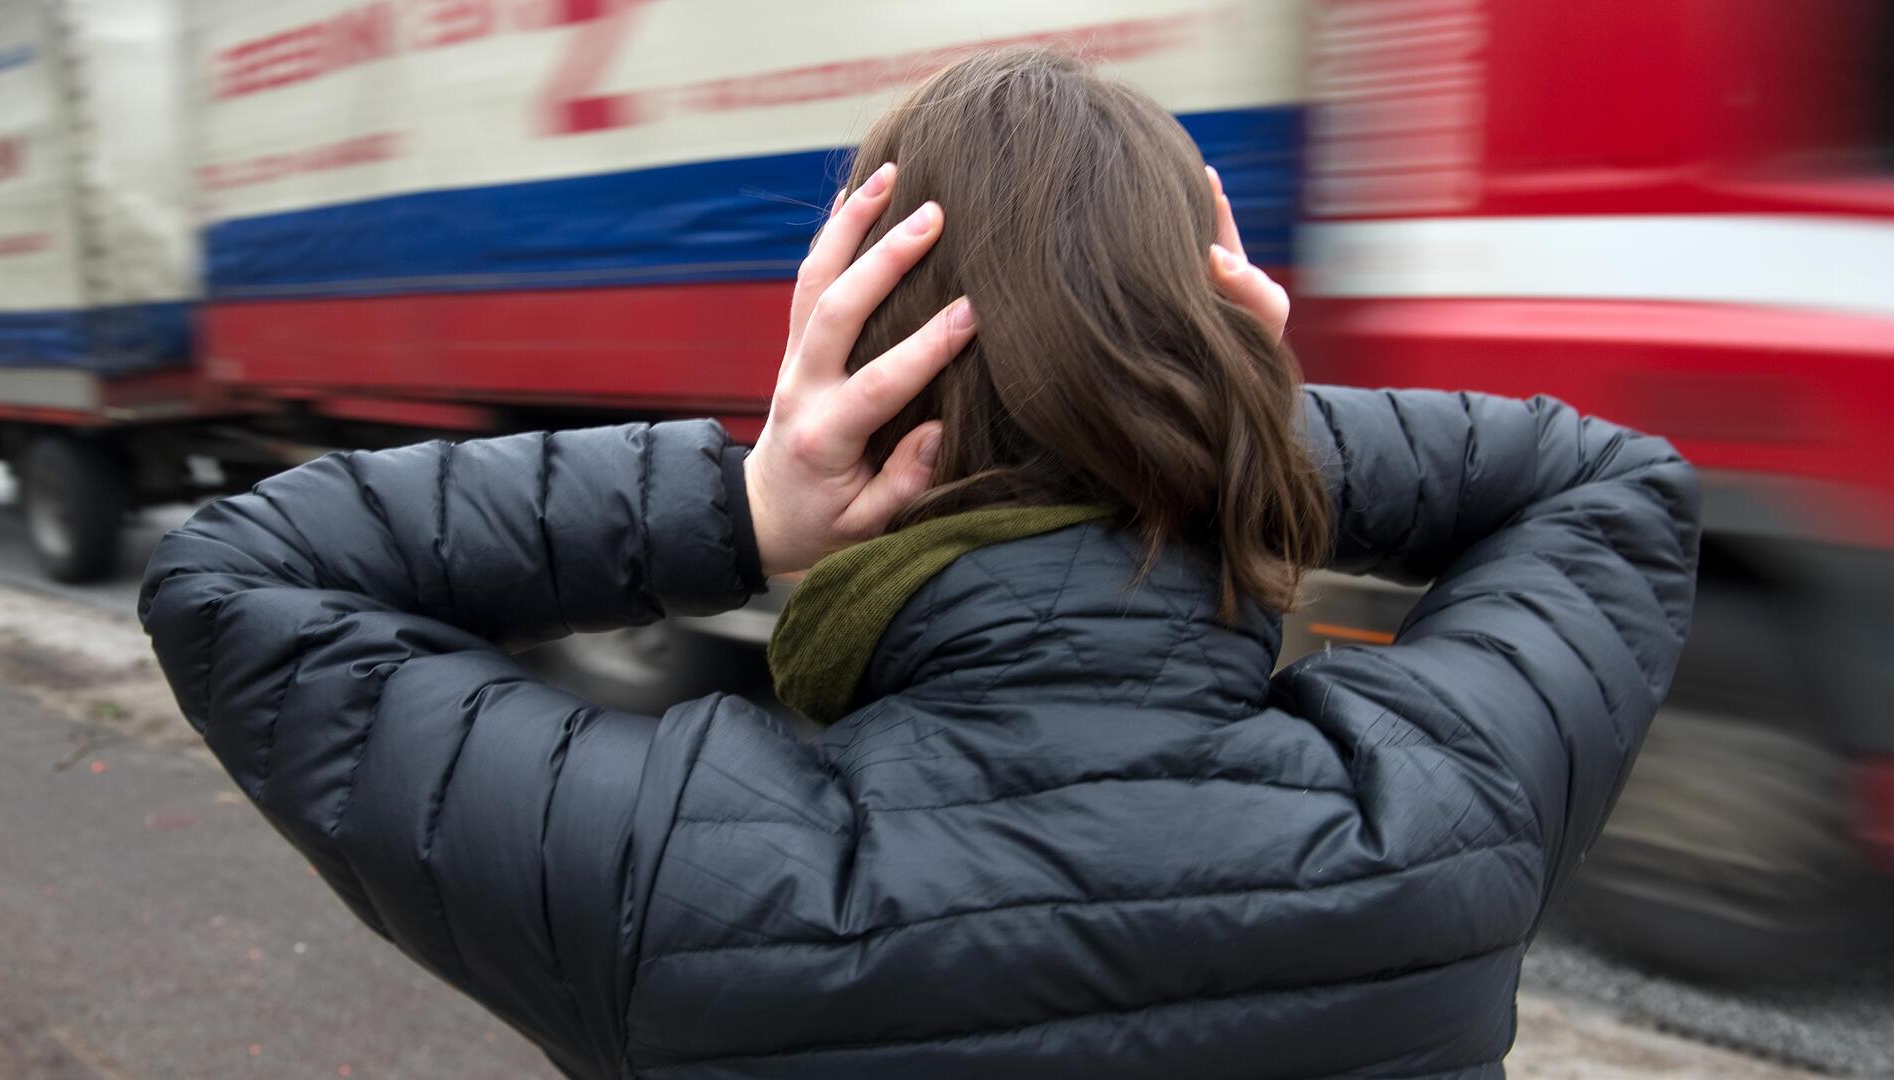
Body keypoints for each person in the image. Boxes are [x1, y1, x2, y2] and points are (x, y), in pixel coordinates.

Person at [139, 47, 1699, 1080]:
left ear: (859, 368)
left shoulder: (665, 883)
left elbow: (246, 577)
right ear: (1223, 345)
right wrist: (1229, 430)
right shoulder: (1444, 821)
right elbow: (1612, 485)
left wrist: (746, 506)